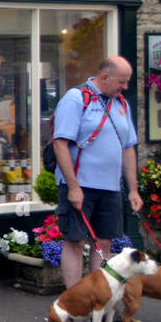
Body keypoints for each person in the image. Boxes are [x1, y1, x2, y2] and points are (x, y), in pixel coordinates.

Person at [51, 56, 143, 293]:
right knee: (75, 241)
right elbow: (60, 143)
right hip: (80, 185)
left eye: (127, 82)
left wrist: (132, 188)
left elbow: (128, 147)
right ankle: (73, 303)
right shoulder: (76, 98)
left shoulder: (121, 103)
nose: (125, 87)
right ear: (105, 77)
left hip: (110, 187)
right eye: (122, 82)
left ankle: (98, 299)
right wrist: (72, 186)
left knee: (103, 243)